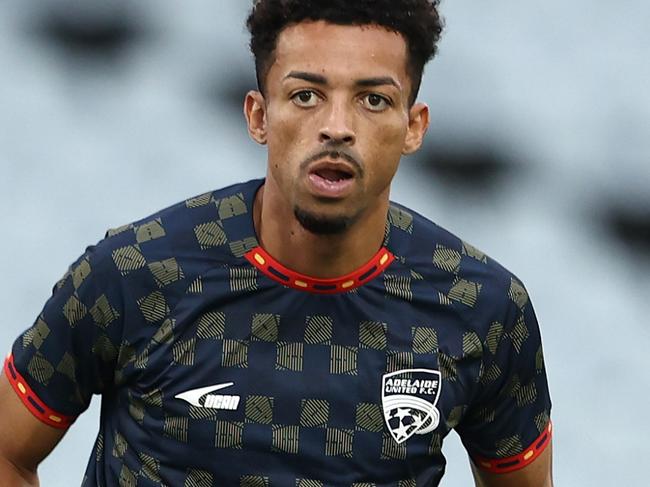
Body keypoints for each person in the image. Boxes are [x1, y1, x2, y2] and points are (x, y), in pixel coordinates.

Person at [0, 1, 553, 485]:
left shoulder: (483, 309)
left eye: (373, 100)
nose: (337, 126)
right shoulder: (134, 275)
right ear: (259, 116)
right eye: (307, 95)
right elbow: (7, 453)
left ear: (415, 126)